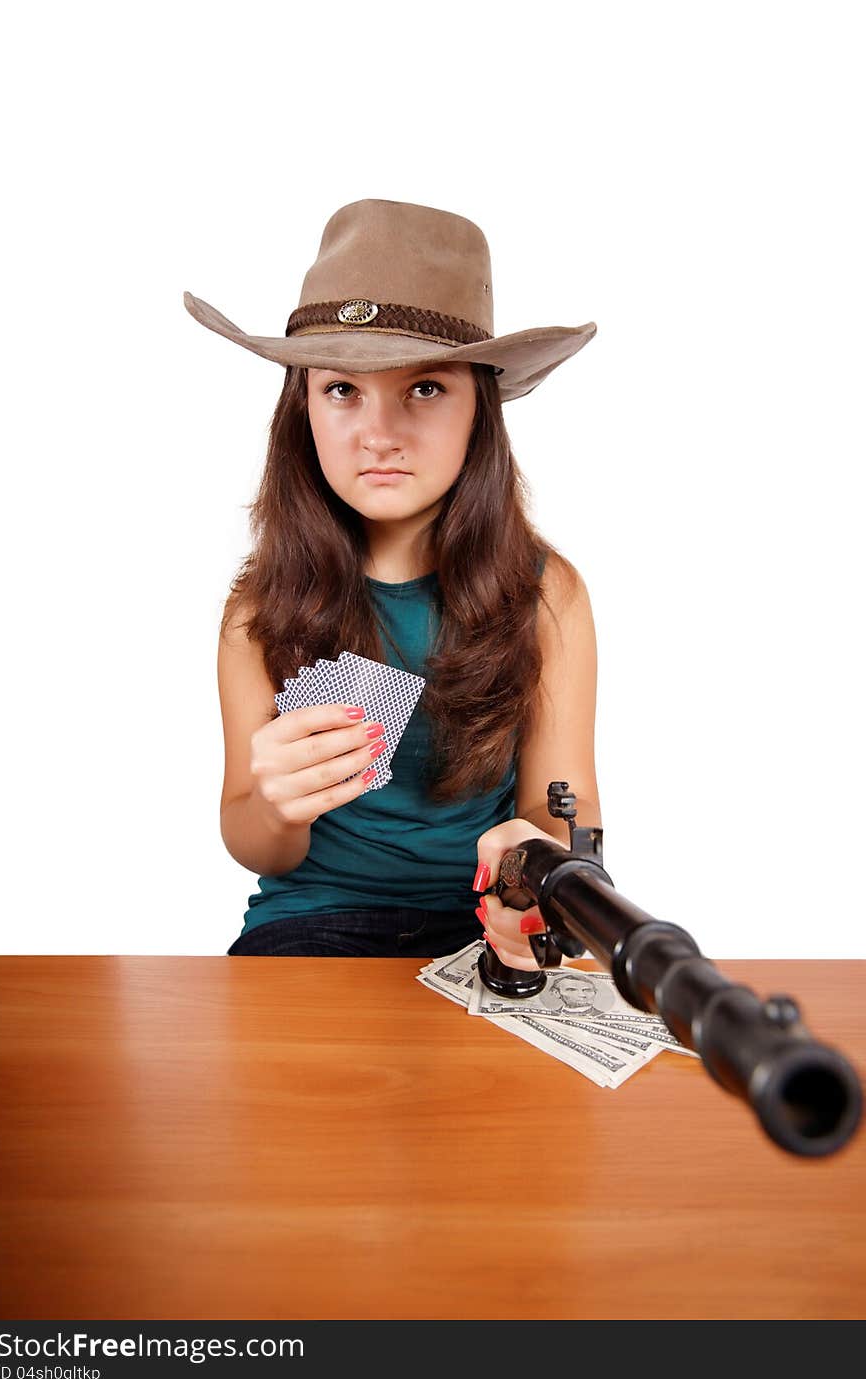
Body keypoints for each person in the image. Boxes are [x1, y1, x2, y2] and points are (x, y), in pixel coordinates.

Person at [184, 198, 602, 964]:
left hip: (489, 930)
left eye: (426, 388)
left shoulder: (549, 594)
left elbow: (564, 809)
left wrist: (531, 870)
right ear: (300, 407)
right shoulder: (258, 605)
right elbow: (252, 841)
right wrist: (277, 806)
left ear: (481, 406)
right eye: (342, 389)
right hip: (310, 920)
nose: (380, 434)